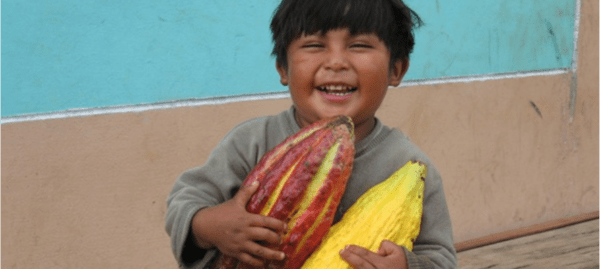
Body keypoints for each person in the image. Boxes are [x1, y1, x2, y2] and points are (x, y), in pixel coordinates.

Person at [165, 0, 457, 268]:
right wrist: (208, 226)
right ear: (283, 68)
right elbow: (186, 201)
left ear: (396, 69)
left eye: (358, 45)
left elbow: (441, 257)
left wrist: (408, 265)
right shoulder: (251, 141)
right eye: (315, 45)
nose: (336, 62)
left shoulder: (409, 165)